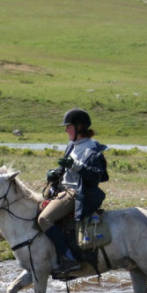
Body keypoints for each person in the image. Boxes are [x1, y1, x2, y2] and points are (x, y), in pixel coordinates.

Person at [38, 108, 109, 274]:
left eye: (68, 126)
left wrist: (76, 167)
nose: (65, 130)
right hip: (63, 190)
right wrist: (55, 172)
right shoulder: (71, 146)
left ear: (79, 127)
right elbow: (65, 167)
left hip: (77, 193)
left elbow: (99, 176)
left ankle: (69, 259)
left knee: (44, 220)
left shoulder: (93, 150)